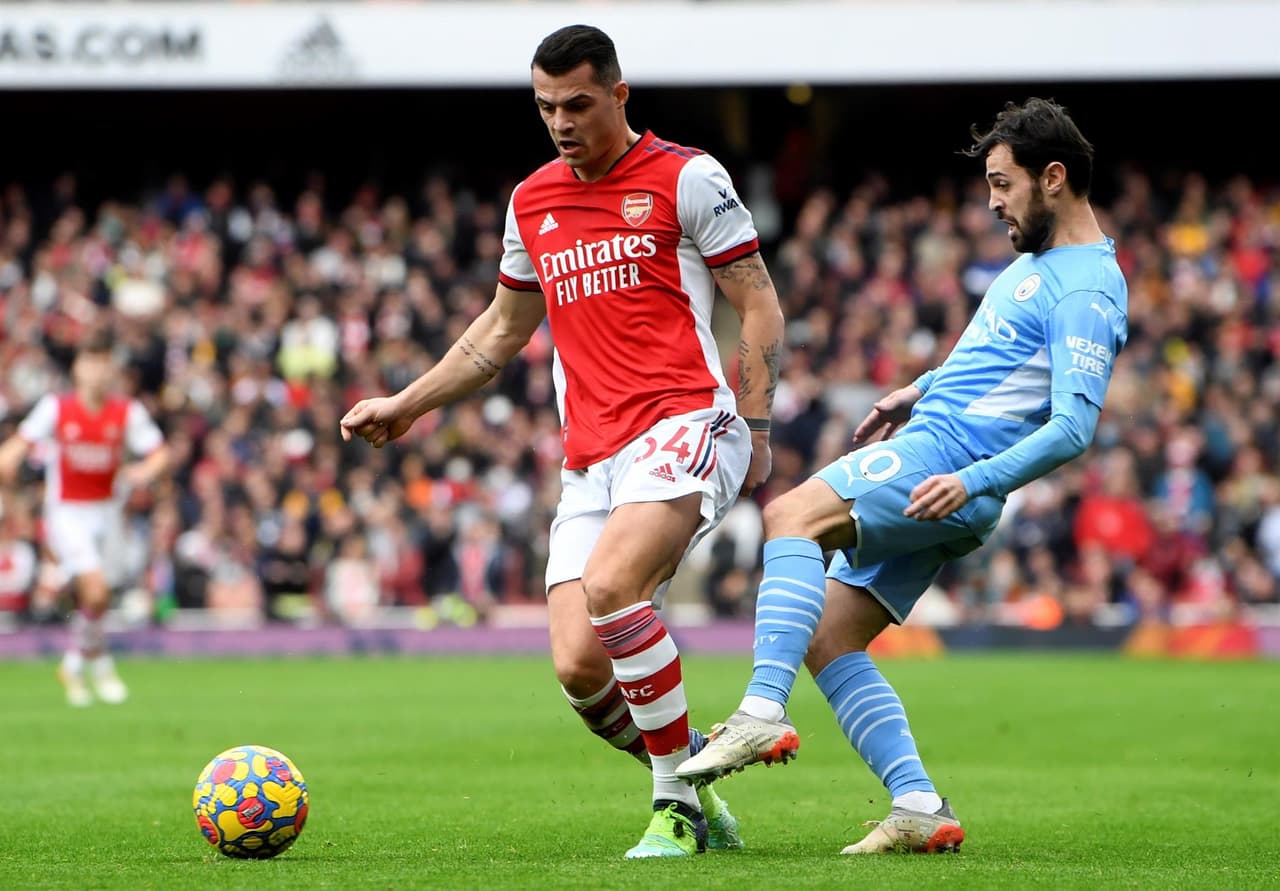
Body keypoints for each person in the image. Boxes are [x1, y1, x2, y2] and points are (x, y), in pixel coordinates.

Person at [341, 24, 784, 858]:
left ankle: (675, 809)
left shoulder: (688, 178)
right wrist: (408, 403)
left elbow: (759, 305)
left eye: (578, 104)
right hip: (592, 455)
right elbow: (498, 334)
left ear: (620, 94)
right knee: (581, 665)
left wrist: (755, 424)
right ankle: (693, 779)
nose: (561, 122)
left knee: (616, 585)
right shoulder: (531, 201)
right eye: (545, 107)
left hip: (685, 420)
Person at [676, 97, 1129, 854]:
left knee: (792, 515)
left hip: (948, 463)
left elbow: (1073, 426)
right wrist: (920, 386)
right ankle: (917, 801)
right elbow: (1001, 356)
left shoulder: (1084, 287)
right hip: (938, 449)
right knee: (826, 637)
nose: (991, 202)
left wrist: (978, 478)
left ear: (1054, 178)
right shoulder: (1045, 266)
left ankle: (760, 709)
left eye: (1002, 184)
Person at [0, 329, 170, 706]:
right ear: (77, 368)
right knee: (95, 590)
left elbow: (160, 453)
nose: (96, 371)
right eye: (90, 362)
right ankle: (92, 664)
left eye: (103, 363)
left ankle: (82, 663)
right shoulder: (56, 408)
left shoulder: (126, 412)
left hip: (108, 513)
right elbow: (19, 444)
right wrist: (9, 457)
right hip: (67, 512)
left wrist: (144, 472)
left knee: (98, 600)